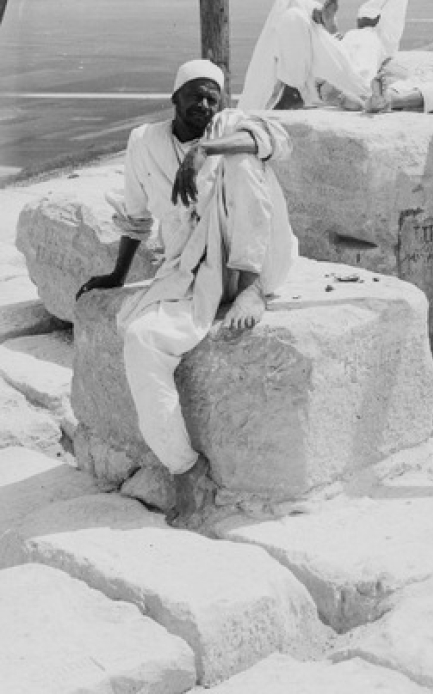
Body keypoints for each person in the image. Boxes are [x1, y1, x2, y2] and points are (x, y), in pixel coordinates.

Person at [76, 59, 297, 525]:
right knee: (140, 338)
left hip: (257, 259)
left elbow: (277, 142)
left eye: (211, 97)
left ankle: (253, 291)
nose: (203, 104)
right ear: (173, 98)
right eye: (194, 95)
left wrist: (205, 151)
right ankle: (184, 466)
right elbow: (136, 216)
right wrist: (117, 276)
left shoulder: (231, 126)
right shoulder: (144, 143)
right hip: (193, 272)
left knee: (240, 157)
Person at [238, 0, 409, 111]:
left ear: (380, 20)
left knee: (291, 7)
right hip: (329, 76)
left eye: (369, 16)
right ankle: (296, 88)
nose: (362, 18)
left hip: (351, 80)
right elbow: (334, 53)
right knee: (291, 10)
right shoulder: (352, 36)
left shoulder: (378, 39)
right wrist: (332, 32)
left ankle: (294, 90)